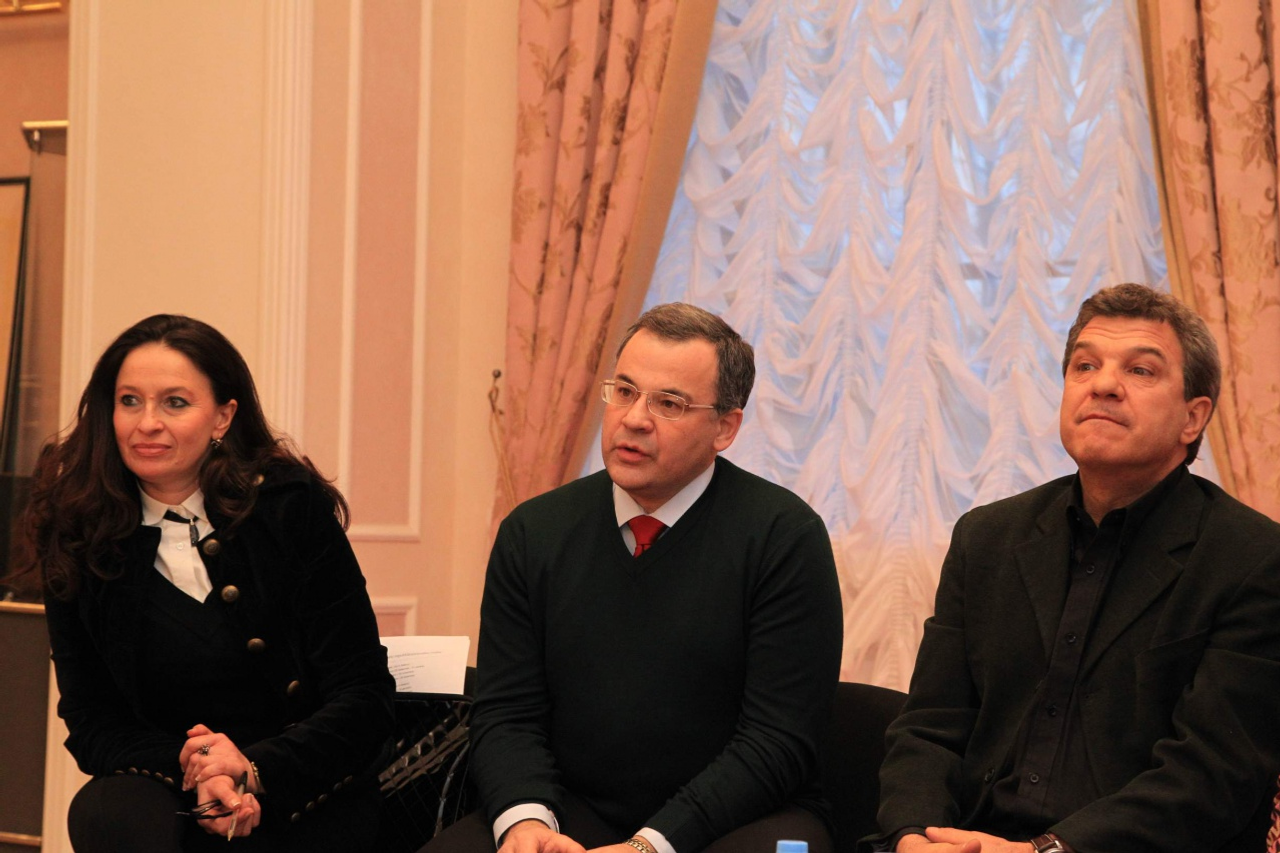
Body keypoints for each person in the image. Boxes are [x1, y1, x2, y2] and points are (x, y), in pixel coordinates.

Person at [868, 283, 1280, 853]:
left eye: (1140, 370)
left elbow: (1211, 776)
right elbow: (928, 728)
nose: (1103, 384)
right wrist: (913, 835)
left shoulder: (1253, 558)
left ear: (1193, 418)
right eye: (1085, 366)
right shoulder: (987, 537)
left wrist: (1045, 851)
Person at [426, 303, 843, 853]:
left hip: (741, 818)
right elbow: (507, 712)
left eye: (669, 403)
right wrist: (527, 821)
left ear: (725, 427)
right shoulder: (533, 532)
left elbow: (777, 741)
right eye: (624, 391)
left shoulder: (784, 538)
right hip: (571, 809)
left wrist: (650, 845)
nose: (634, 418)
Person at [12, 314, 395, 852]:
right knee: (106, 810)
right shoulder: (76, 529)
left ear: (223, 417)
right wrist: (197, 768)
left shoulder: (289, 507)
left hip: (302, 785)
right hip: (173, 791)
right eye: (129, 401)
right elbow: (92, 721)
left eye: (175, 402)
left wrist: (253, 770)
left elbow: (364, 694)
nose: (147, 423)